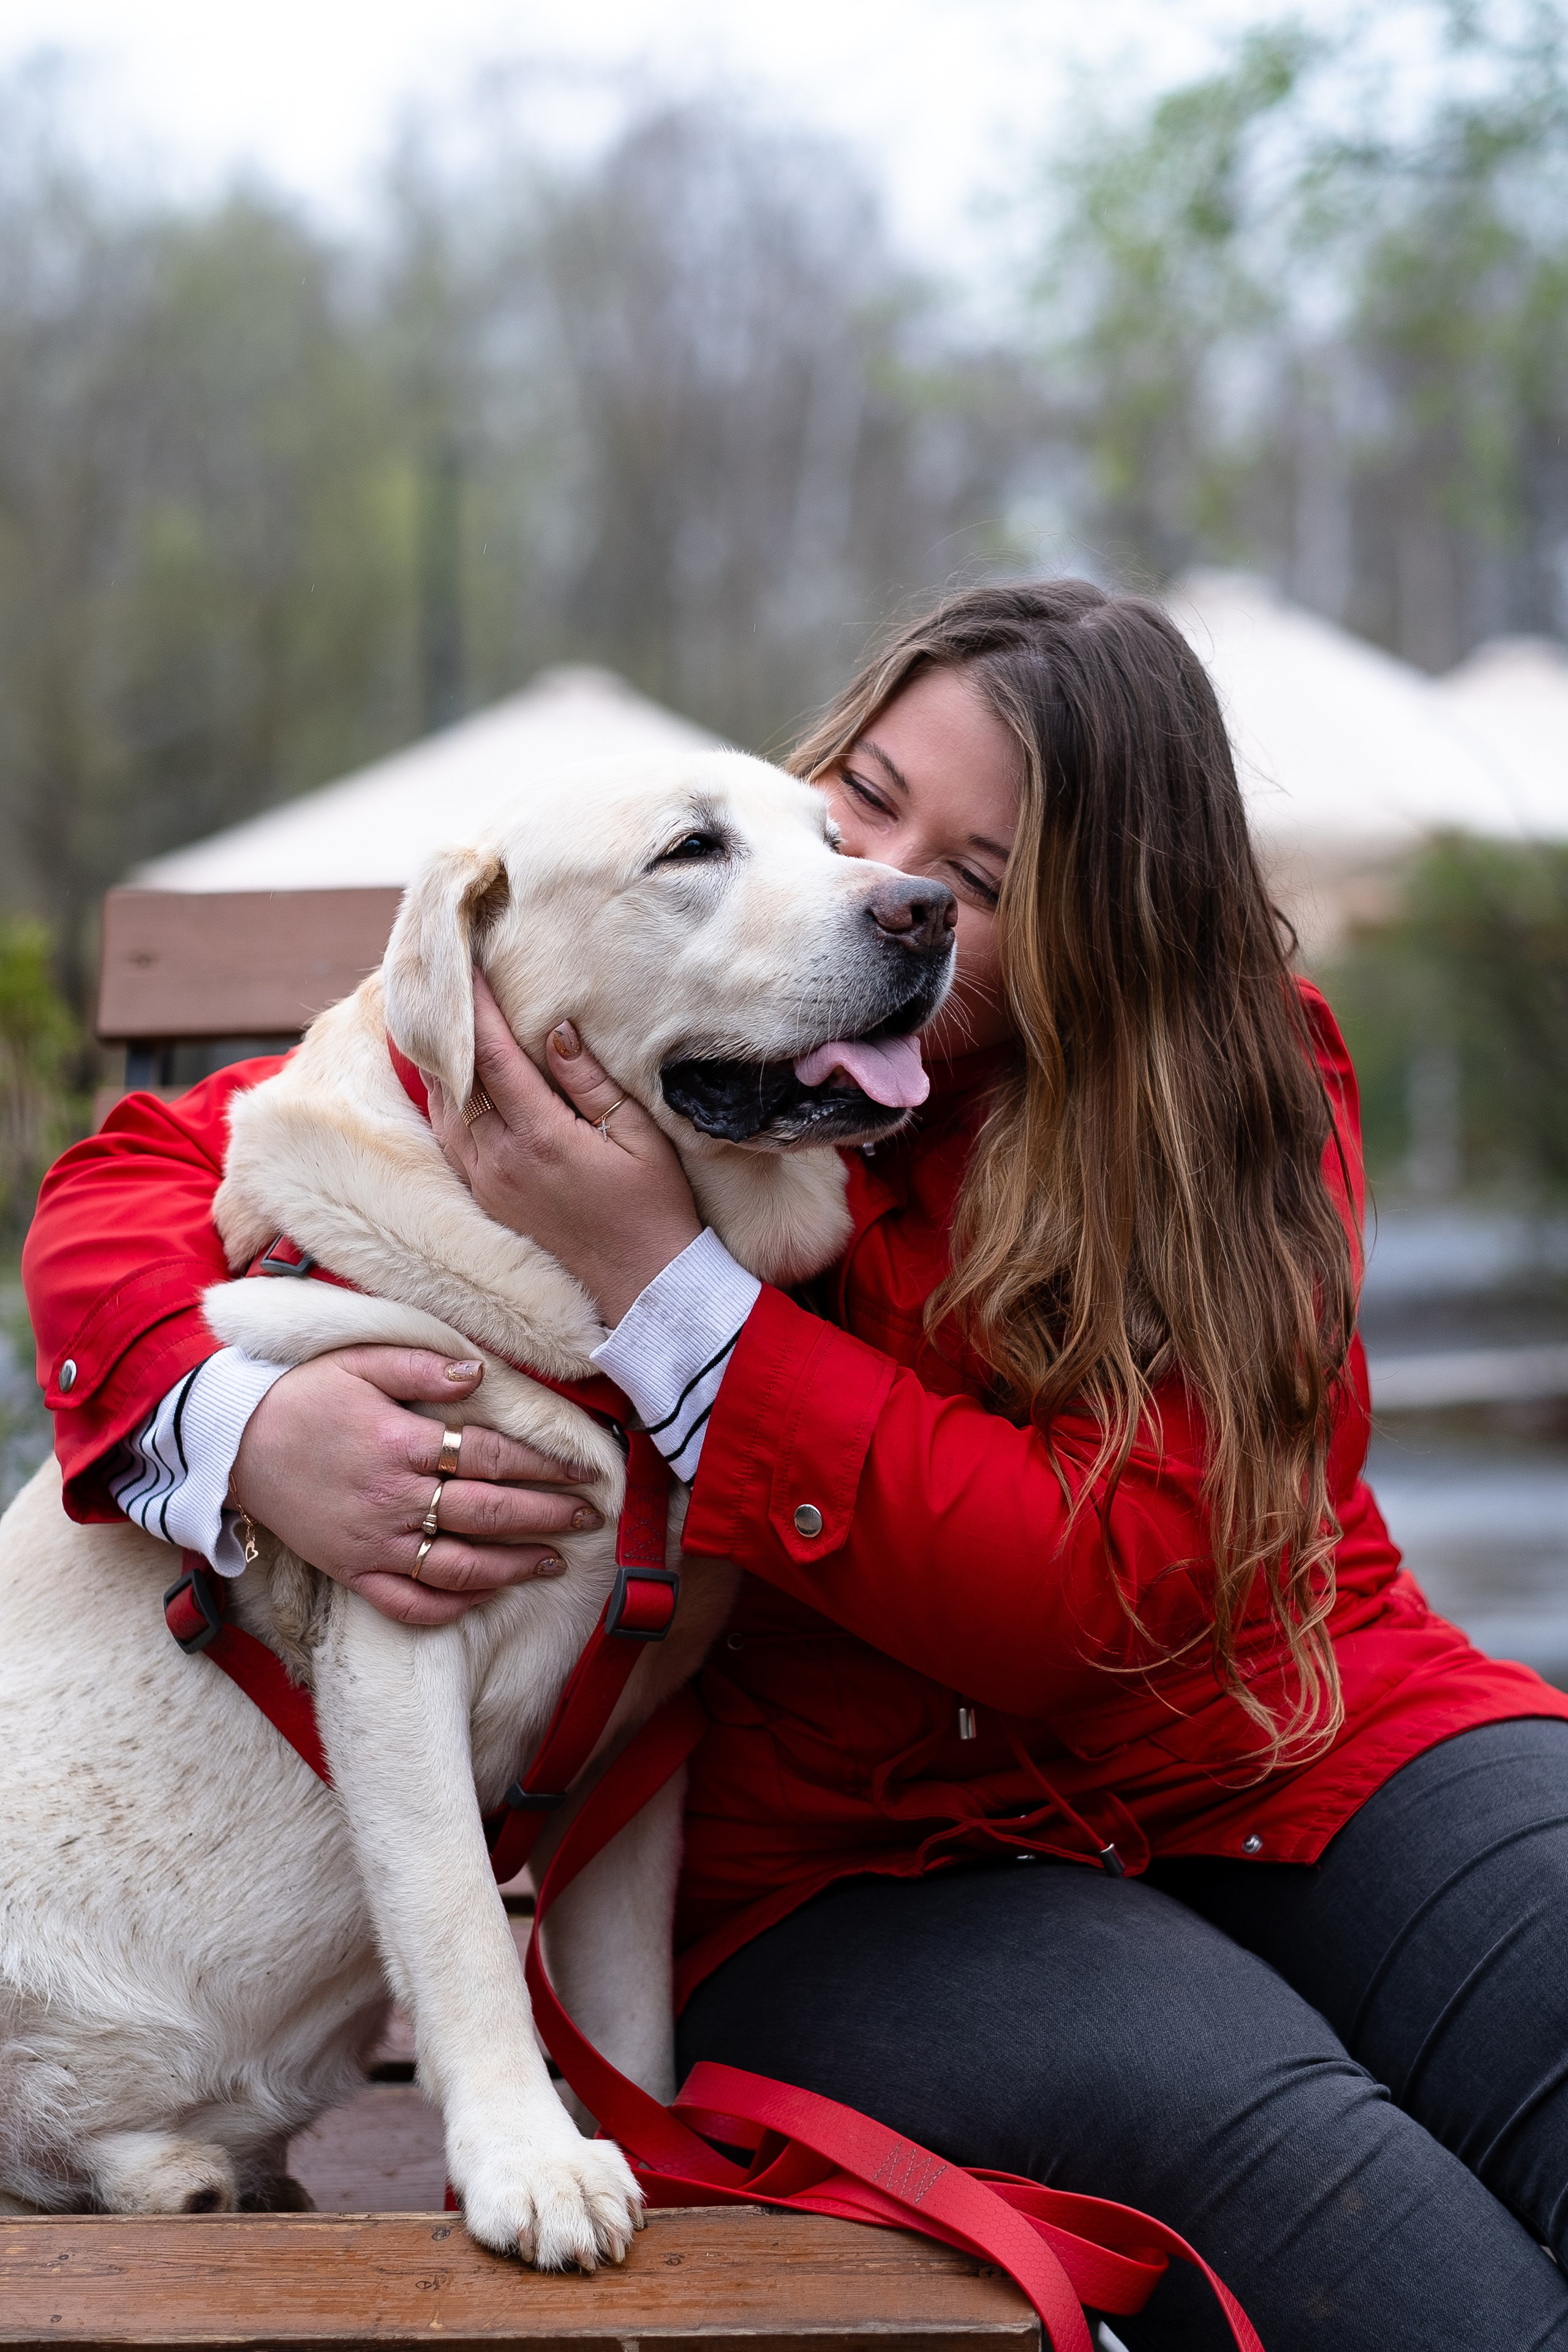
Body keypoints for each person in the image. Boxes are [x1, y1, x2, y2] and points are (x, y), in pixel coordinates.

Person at [24, 580, 1568, 2349]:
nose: (888, 884)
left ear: (1117, 935)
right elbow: (153, 1172)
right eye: (860, 799)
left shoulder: (1234, 1095)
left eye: (978, 884)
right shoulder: (675, 1032)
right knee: (1351, 2210)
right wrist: (234, 1430)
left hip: (1309, 1735)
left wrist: (661, 1294)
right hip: (873, 1858)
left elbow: (1090, 1596)